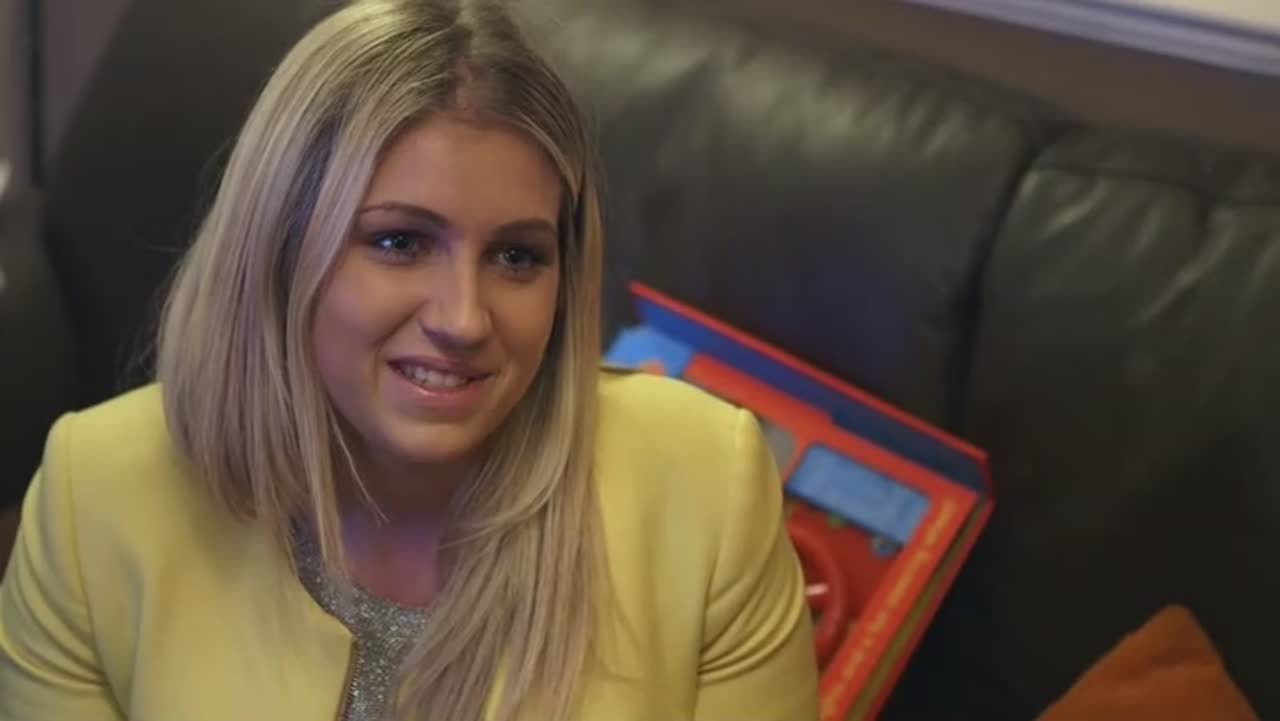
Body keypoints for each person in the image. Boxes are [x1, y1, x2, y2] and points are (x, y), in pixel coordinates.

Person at [0, 1, 819, 719]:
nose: (463, 319)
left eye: (518, 257)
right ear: (277, 249)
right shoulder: (92, 499)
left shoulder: (708, 487)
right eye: (399, 241)